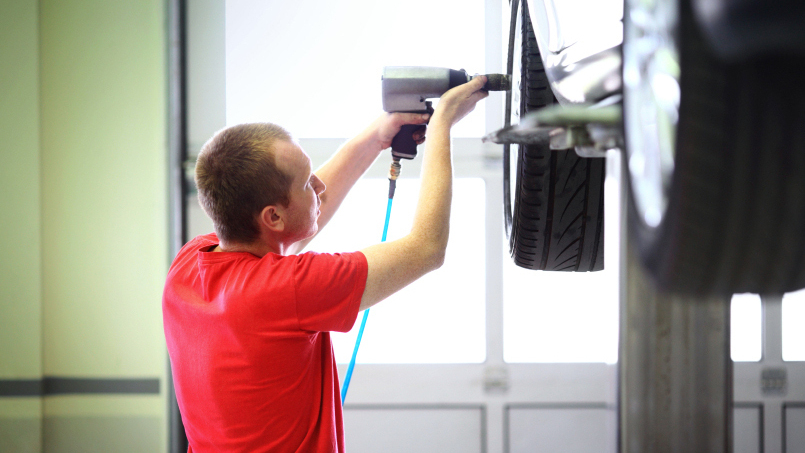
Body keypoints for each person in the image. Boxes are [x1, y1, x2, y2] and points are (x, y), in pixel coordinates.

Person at [163, 76, 488, 452]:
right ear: (272, 217)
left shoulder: (189, 264)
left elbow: (297, 224)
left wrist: (376, 137)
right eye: (306, 183)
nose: (318, 185)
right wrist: (443, 123)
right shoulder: (285, 290)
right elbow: (426, 248)